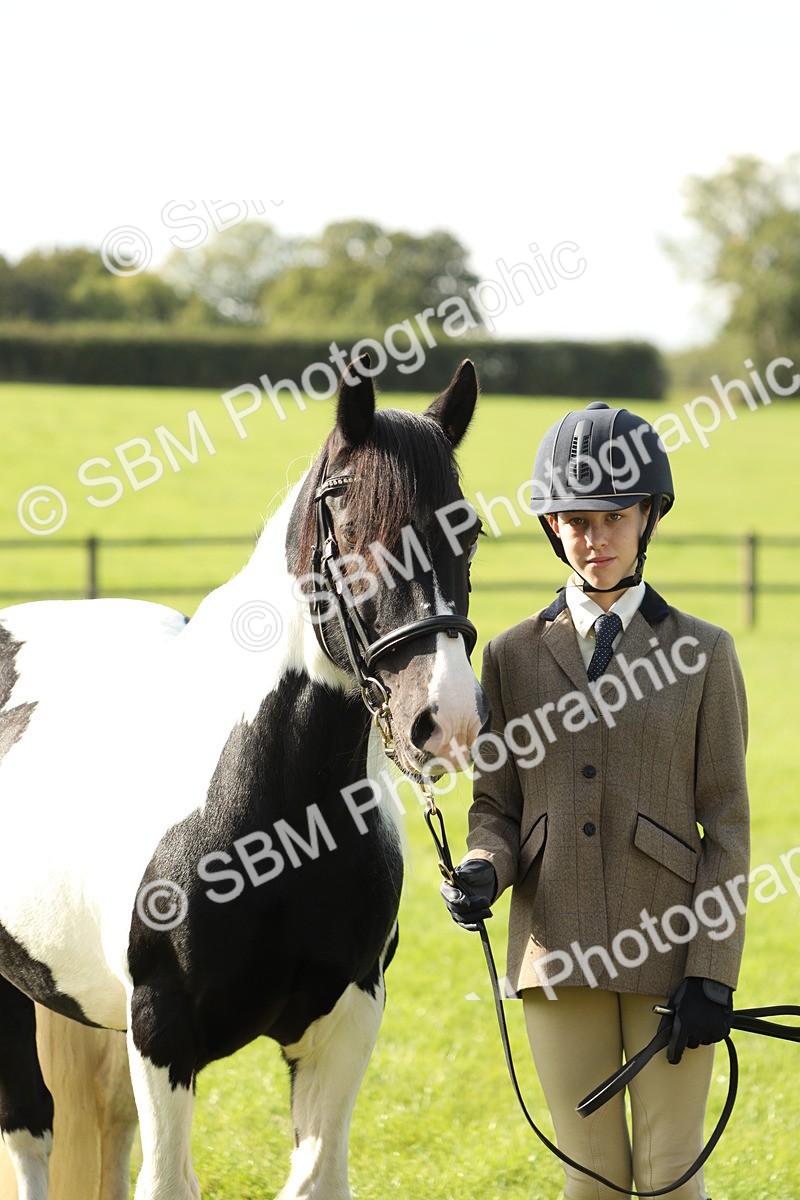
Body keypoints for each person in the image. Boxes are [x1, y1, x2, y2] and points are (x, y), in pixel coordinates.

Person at [441, 402, 750, 1200]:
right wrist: (482, 868)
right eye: (576, 520)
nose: (595, 538)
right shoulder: (510, 655)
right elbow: (496, 809)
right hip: (556, 952)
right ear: (552, 526)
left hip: (671, 953)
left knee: (670, 1176)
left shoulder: (705, 653)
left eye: (614, 517)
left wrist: (713, 972)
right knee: (592, 1182)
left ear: (649, 517)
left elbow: (729, 829)